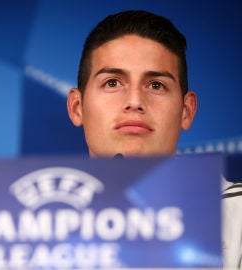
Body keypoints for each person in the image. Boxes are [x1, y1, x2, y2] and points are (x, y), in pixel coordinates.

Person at [67, 10, 241, 268]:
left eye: (156, 85)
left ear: (186, 111)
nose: (135, 101)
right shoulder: (15, 224)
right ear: (77, 107)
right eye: (113, 83)